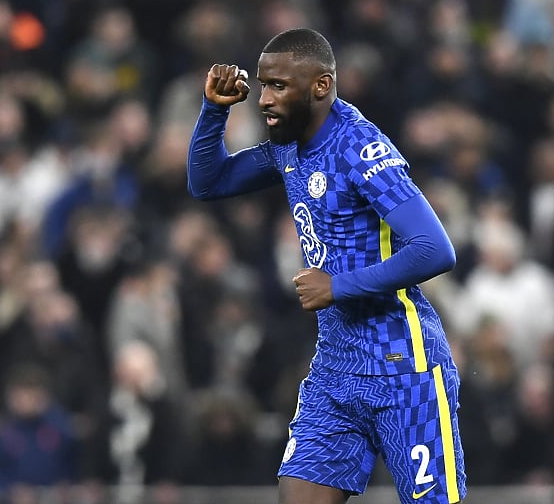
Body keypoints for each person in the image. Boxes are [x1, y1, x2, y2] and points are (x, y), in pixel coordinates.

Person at [187, 27, 466, 503]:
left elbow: (435, 248)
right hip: (335, 368)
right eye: (262, 84)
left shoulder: (360, 148)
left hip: (405, 365)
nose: (264, 99)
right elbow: (208, 183)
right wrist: (215, 112)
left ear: (320, 86)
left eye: (278, 86)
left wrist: (337, 286)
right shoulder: (288, 145)